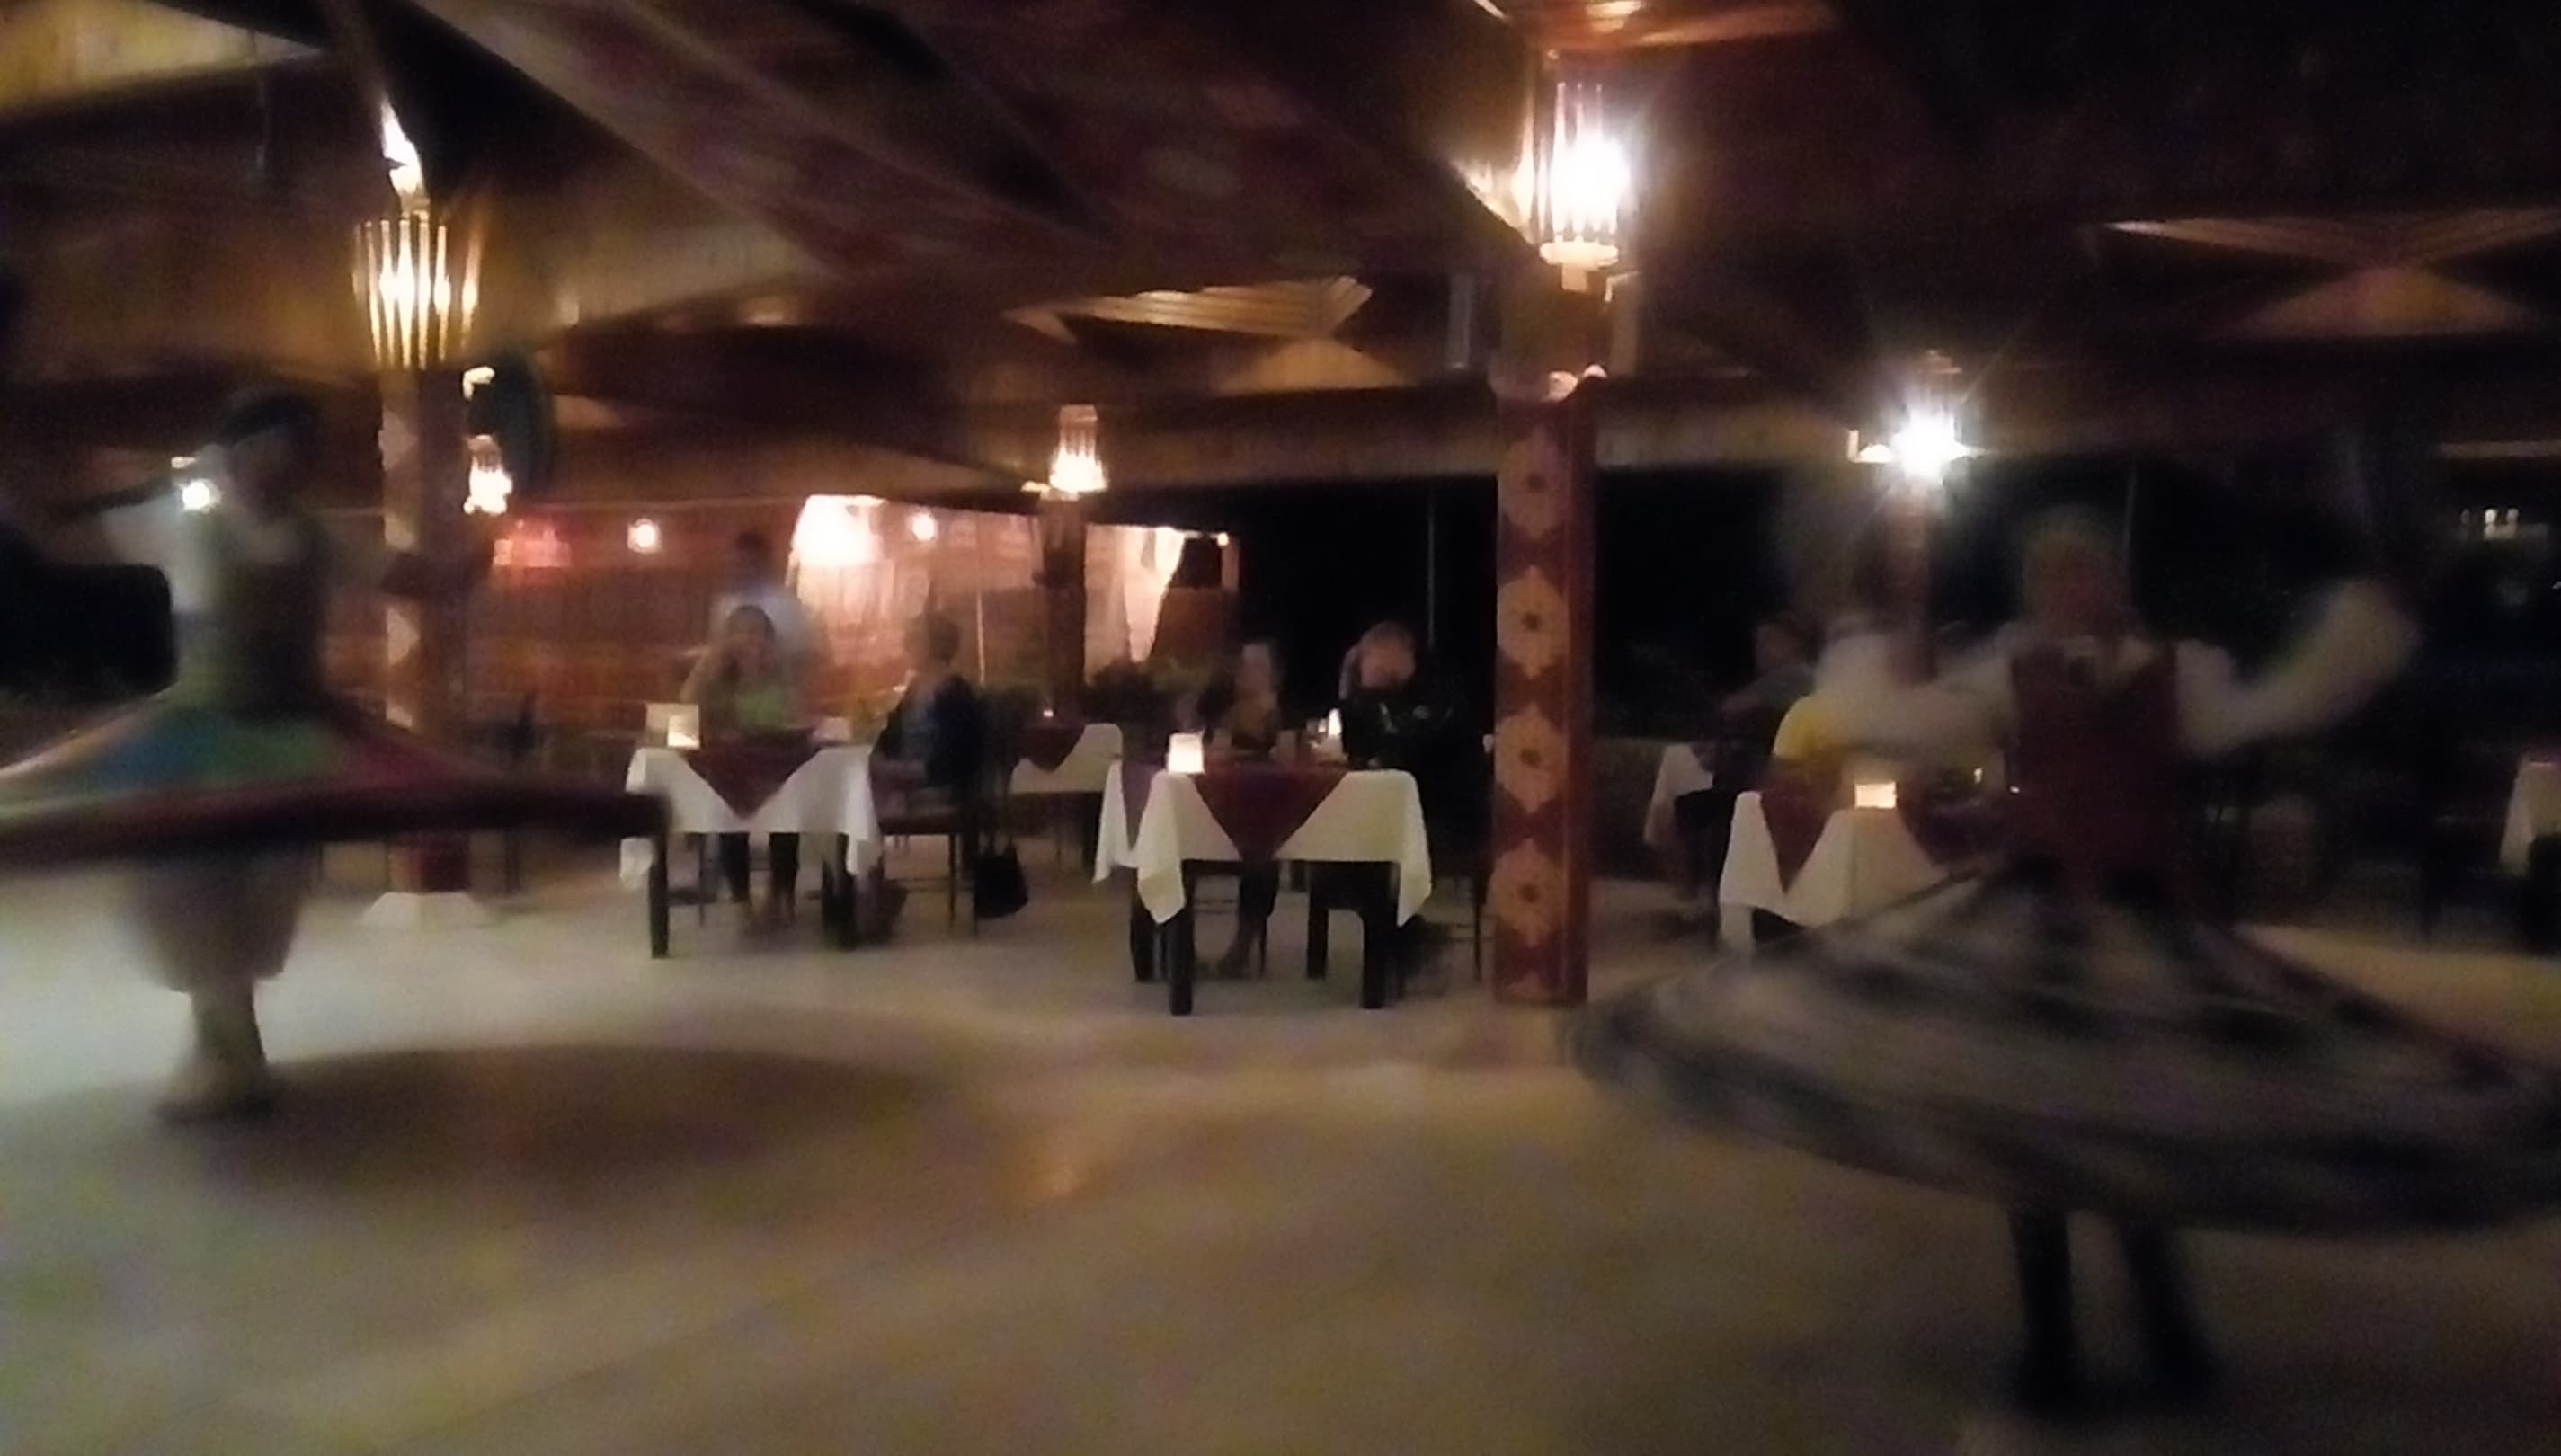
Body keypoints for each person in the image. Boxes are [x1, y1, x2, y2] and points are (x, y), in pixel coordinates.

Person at [1577, 510, 2482, 1418]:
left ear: (2111, 582)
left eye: (2081, 572)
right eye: (2051, 577)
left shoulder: (2179, 674)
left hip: (2139, 918)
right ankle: (2052, 1346)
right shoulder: (2012, 672)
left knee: (2137, 1122)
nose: (2067, 591)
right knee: (2037, 1126)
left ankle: (2167, 1331)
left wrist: (2368, 623)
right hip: (2040, 918)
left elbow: (2278, 705)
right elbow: (1910, 722)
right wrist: (1865, 640)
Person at [125, 392, 495, 1119]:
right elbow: (65, 543)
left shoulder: (318, 537)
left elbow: (422, 579)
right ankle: (222, 1052)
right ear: (239, 454)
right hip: (201, 743)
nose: (291, 459)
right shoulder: (183, 528)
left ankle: (229, 1053)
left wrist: (477, 550)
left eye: (298, 445)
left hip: (291, 741)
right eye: (279, 443)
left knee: (266, 888)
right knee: (194, 885)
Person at [681, 603, 806, 929]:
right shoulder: (717, 676)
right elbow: (686, 711)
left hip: (774, 763)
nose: (753, 641)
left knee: (788, 808)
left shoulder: (780, 674)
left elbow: (797, 717)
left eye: (760, 633)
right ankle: (741, 899)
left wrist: (783, 677)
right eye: (744, 632)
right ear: (729, 638)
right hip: (731, 767)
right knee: (728, 813)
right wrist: (708, 666)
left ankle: (780, 895)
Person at [1208, 642, 1290, 977]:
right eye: (1245, 667)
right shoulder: (1230, 712)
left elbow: (1286, 756)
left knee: (1263, 854)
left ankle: (1243, 942)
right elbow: (1216, 753)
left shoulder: (1283, 713)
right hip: (1225, 803)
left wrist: (1242, 754)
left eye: (1257, 667)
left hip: (1270, 805)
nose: (1248, 674)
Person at [707, 529, 815, 676]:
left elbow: (805, 655)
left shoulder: (787, 606)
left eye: (748, 563)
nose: (742, 570)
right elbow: (717, 653)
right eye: (737, 563)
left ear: (763, 564)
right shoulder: (724, 606)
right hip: (732, 683)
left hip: (778, 681)